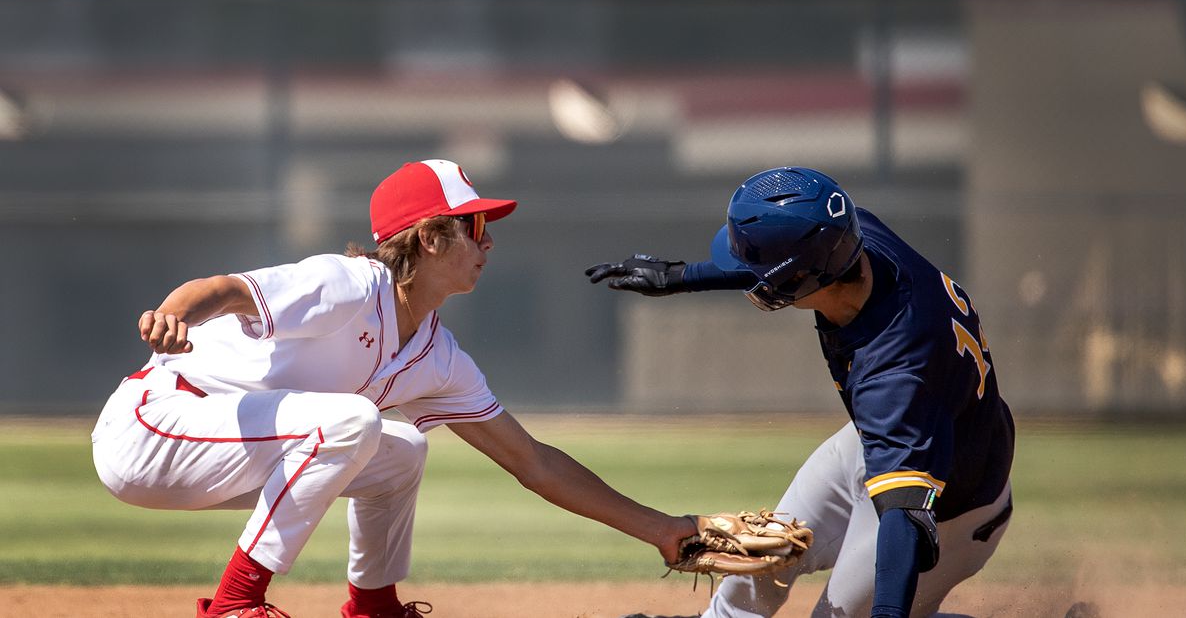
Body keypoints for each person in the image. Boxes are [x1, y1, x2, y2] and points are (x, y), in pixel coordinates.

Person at [91, 159, 697, 618]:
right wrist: (173, 313)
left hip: (230, 455)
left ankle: (374, 608)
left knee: (403, 450)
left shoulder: (436, 355)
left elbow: (533, 461)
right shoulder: (348, 284)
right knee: (353, 420)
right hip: (154, 426)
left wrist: (662, 529)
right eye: (475, 225)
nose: (488, 241)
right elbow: (224, 289)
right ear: (430, 237)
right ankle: (234, 605)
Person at [586, 167, 1015, 618]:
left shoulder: (895, 371)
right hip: (887, 443)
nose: (749, 275)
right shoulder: (853, 235)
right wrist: (680, 276)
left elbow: (905, 518)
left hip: (951, 508)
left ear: (798, 281)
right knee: (756, 567)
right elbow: (793, 263)